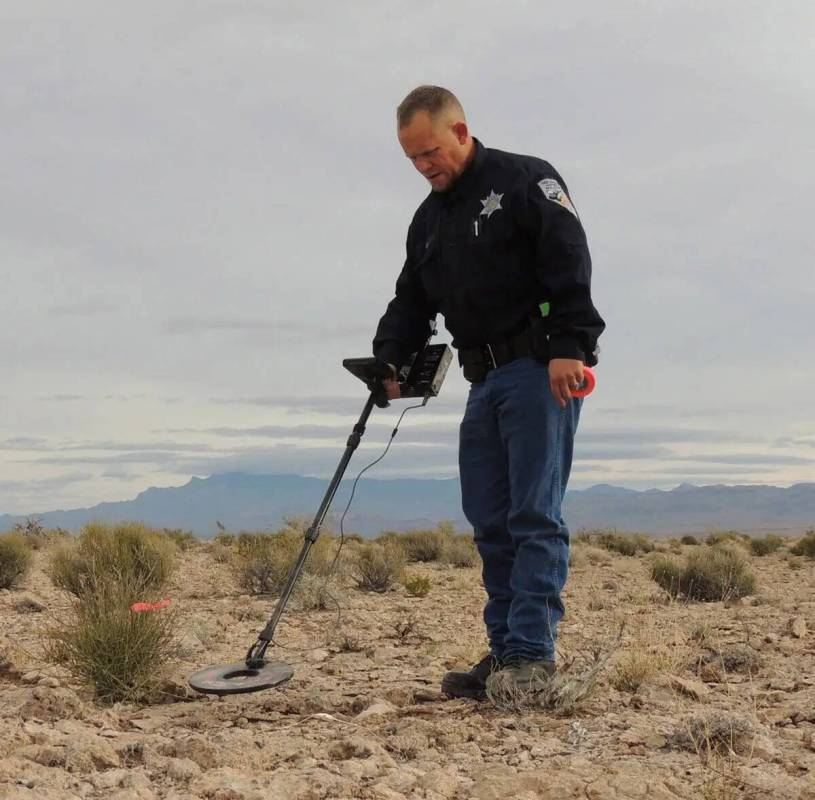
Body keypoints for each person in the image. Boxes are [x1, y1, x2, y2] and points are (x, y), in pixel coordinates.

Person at [371, 86, 605, 698]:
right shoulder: (428, 221)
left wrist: (568, 347)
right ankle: (505, 655)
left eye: (431, 153)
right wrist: (389, 358)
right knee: (489, 521)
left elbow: (568, 259)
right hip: (483, 380)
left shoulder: (526, 181)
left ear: (461, 131)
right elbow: (411, 301)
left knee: (533, 514)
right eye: (412, 159)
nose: (425, 167)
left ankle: (533, 654)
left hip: (538, 367)